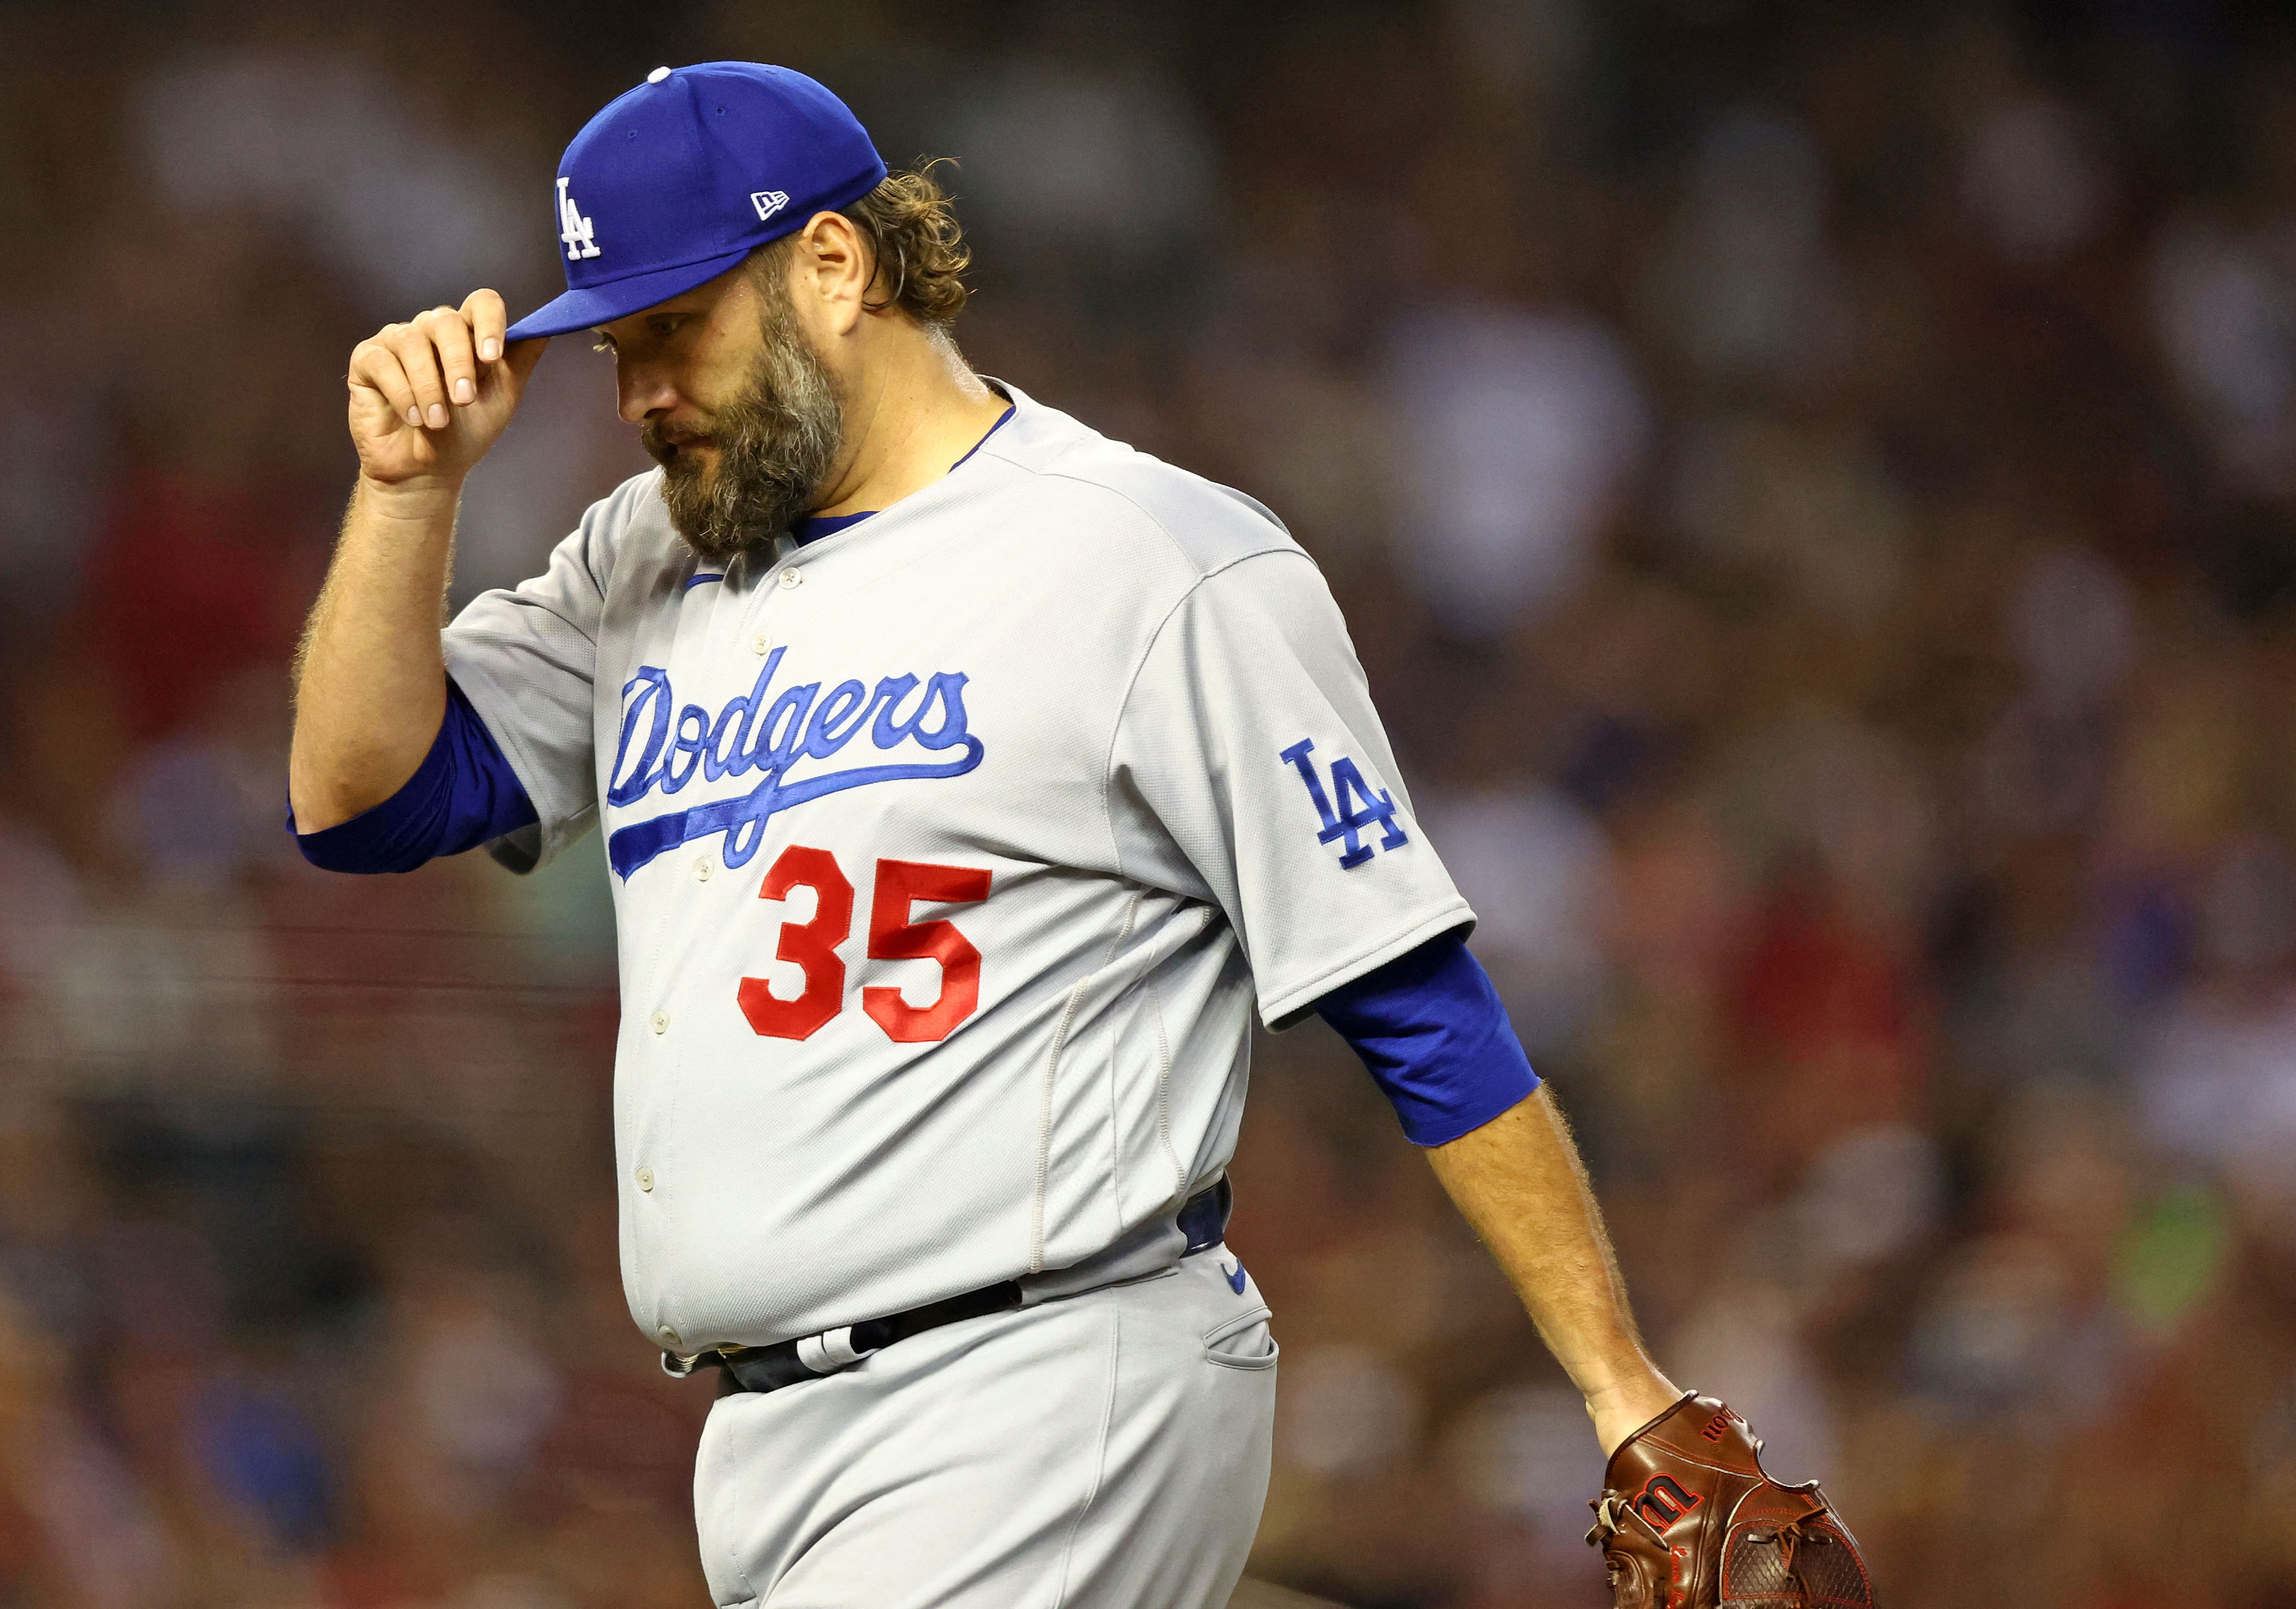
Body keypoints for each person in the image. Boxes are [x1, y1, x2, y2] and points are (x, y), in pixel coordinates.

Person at [289, 60, 1679, 1609]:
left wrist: (1620, 1386)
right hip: (766, 1435)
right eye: (614, 349)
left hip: (1040, 1376)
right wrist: (406, 491)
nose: (635, 396)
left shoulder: (1145, 558)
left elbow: (1405, 995)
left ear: (833, 268)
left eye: (671, 331)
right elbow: (363, 806)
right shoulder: (643, 557)